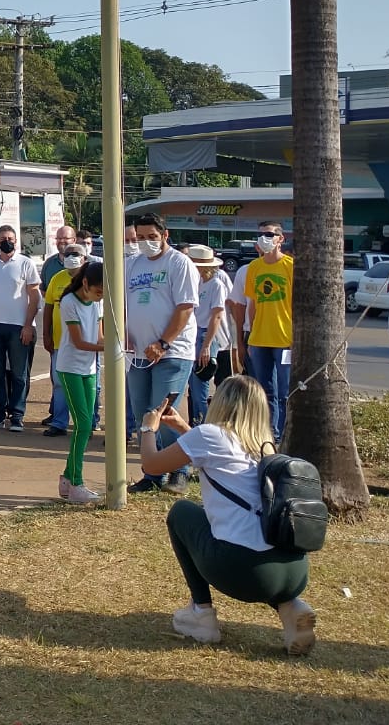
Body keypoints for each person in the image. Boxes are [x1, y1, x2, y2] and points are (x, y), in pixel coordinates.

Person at [137, 375, 317, 655]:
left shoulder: (210, 435)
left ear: (221, 403)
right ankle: (291, 606)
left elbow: (152, 464)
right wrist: (185, 429)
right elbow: (218, 458)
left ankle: (202, 613)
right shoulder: (265, 445)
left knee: (181, 512)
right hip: (293, 569)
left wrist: (148, 428)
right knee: (257, 538)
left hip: (245, 570)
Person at [125, 212, 201, 493]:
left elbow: (185, 308)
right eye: (141, 238)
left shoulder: (179, 264)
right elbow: (122, 304)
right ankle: (152, 472)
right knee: (144, 414)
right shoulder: (132, 264)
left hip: (172, 352)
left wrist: (163, 342)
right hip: (138, 355)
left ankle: (179, 470)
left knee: (164, 412)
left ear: (165, 235)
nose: (146, 243)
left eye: (152, 237)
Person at [0, 225, 41, 432]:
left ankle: (17, 415)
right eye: (3, 238)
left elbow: (34, 297)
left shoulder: (25, 263)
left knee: (20, 374)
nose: (7, 241)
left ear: (16, 241)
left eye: (10, 238)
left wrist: (28, 325)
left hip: (19, 326)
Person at [56, 260, 105, 504]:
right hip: (70, 368)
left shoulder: (97, 304)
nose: (99, 297)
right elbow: (79, 342)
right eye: (97, 292)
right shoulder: (68, 302)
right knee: (84, 424)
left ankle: (67, 478)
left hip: (89, 368)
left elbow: (98, 336)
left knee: (86, 425)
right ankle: (76, 482)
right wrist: (106, 348)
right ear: (85, 283)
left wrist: (110, 344)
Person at [241, 221, 294, 442]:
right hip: (260, 339)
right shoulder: (254, 267)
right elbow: (252, 303)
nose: (265, 238)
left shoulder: (290, 266)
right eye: (261, 234)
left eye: (270, 234)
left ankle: (283, 436)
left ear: (280, 239)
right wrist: (250, 335)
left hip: (285, 339)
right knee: (263, 392)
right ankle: (268, 434)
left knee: (285, 393)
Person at [39, 239, 85, 437]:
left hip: (85, 344)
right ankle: (59, 423)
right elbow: (48, 308)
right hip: (59, 342)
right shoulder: (57, 279)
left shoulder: (90, 279)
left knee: (85, 384)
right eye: (68, 255)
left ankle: (86, 424)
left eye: (76, 255)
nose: (72, 258)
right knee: (59, 383)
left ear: (84, 258)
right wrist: (46, 335)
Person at [186, 245, 232, 426]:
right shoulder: (196, 283)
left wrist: (207, 345)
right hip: (193, 332)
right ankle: (199, 423)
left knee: (200, 384)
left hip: (205, 334)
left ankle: (204, 424)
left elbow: (217, 316)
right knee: (194, 386)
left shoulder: (216, 284)